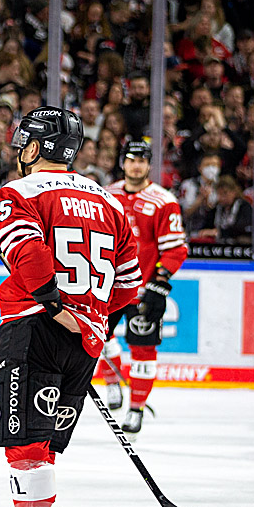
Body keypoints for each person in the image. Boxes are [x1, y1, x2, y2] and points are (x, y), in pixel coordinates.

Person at [0, 106, 141, 507]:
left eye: (23, 143)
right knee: (43, 446)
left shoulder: (18, 193)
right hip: (83, 341)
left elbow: (29, 255)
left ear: (35, 147)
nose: (19, 152)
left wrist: (53, 305)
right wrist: (92, 325)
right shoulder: (110, 200)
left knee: (26, 445)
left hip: (37, 328)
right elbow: (129, 283)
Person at [98, 140, 188, 432]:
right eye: (131, 159)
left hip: (142, 291)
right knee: (98, 339)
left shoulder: (163, 201)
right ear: (122, 163)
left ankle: (135, 409)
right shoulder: (105, 196)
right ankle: (112, 382)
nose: (136, 165)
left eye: (142, 160)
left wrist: (159, 283)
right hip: (108, 288)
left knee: (143, 350)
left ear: (149, 165)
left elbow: (175, 249)